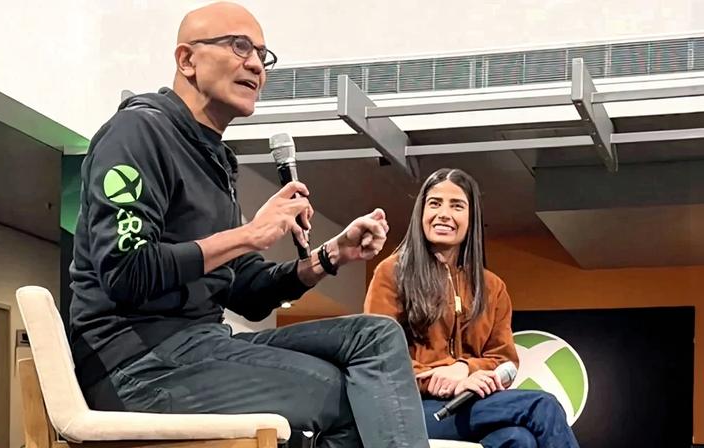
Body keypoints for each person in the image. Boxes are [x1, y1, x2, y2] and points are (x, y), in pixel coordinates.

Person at [68, 2, 430, 446]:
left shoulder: (217, 161)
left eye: (262, 53)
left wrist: (330, 256)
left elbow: (245, 292)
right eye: (240, 46)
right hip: (138, 364)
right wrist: (249, 234)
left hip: (203, 346)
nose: (256, 64)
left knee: (375, 337)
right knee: (356, 396)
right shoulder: (137, 133)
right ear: (187, 60)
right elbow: (126, 272)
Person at [364, 168, 579, 447]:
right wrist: (434, 379)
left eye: (457, 206)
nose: (444, 213)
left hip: (471, 406)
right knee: (542, 406)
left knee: (518, 439)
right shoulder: (392, 272)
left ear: (471, 218)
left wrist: (465, 369)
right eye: (434, 203)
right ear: (421, 213)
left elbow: (505, 361)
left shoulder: (492, 287)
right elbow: (377, 358)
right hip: (410, 408)